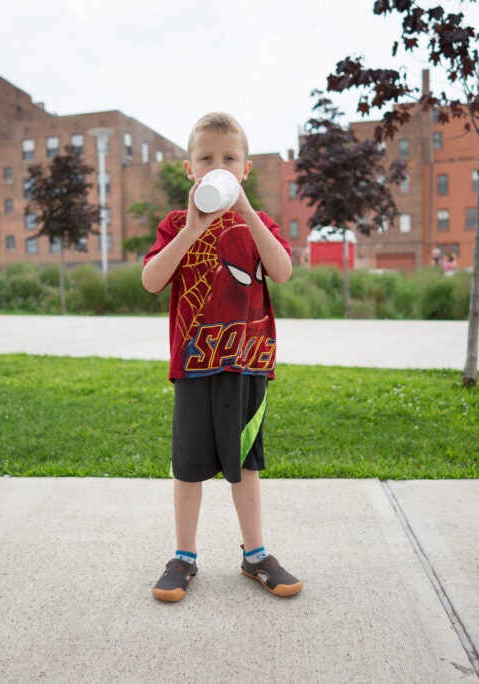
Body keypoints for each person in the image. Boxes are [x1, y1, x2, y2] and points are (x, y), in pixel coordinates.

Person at [141, 112, 302, 602]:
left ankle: (256, 556)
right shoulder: (174, 224)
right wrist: (193, 228)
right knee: (188, 467)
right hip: (193, 365)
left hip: (246, 363)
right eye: (207, 158)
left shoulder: (260, 224)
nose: (219, 165)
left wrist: (248, 212)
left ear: (246, 169)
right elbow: (151, 280)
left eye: (229, 158)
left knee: (245, 466)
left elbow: (283, 270)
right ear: (191, 170)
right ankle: (183, 557)